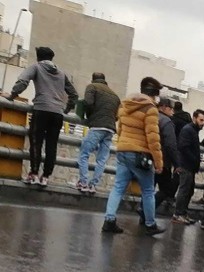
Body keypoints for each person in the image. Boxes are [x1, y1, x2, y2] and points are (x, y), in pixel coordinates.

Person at [3, 46, 78, 187]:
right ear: (51, 58)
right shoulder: (61, 73)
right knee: (51, 145)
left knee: (36, 142)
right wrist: (66, 109)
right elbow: (73, 94)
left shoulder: (36, 67)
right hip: (57, 113)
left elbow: (22, 82)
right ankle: (46, 177)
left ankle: (34, 174)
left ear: (38, 57)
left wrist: (13, 95)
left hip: (41, 109)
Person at [101, 76, 164, 235]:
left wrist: (122, 146)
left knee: (118, 187)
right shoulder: (150, 109)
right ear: (153, 95)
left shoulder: (125, 104)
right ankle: (150, 225)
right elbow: (153, 138)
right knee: (148, 190)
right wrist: (158, 162)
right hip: (140, 154)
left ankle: (109, 220)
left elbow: (120, 129)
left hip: (123, 150)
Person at [75, 72, 120, 193]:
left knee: (84, 154)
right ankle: (93, 185)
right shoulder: (115, 95)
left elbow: (88, 103)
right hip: (110, 129)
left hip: (97, 127)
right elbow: (117, 115)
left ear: (93, 79)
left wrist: (89, 117)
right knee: (101, 160)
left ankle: (83, 182)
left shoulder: (92, 87)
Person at [171, 109, 204, 224]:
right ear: (194, 118)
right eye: (201, 120)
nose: (203, 123)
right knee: (184, 190)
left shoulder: (193, 130)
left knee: (189, 190)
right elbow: (183, 147)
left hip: (190, 166)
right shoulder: (188, 130)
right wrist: (194, 158)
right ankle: (178, 214)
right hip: (186, 165)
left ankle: (183, 213)